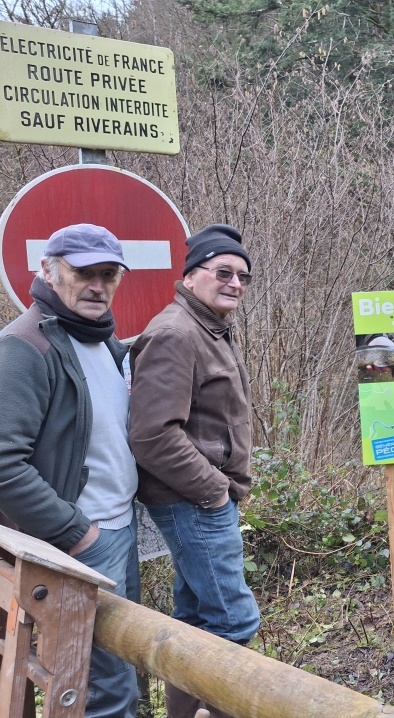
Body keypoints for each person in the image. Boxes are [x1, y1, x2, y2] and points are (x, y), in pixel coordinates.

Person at [0, 224, 138, 718]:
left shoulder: (103, 342)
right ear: (48, 271)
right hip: (80, 545)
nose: (97, 285)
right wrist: (80, 535)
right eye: (83, 273)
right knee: (101, 690)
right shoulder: (25, 346)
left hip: (119, 528)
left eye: (108, 274)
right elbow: (2, 465)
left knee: (119, 671)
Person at [128, 224, 260, 718]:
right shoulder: (177, 334)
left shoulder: (209, 329)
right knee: (233, 620)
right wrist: (215, 492)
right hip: (193, 501)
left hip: (198, 499)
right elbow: (152, 435)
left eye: (244, 277)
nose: (236, 284)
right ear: (190, 275)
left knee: (195, 619)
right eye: (224, 272)